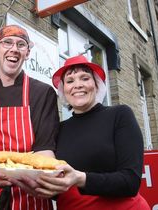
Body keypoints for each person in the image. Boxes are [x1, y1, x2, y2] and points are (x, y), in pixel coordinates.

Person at [33, 55, 150, 209]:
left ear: (96, 85)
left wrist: (81, 178)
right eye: (70, 81)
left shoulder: (120, 115)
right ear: (64, 90)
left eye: (85, 78)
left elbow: (130, 182)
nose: (78, 85)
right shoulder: (58, 129)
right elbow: (58, 188)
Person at [0, 25, 60, 210]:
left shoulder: (42, 93)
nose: (14, 49)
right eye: (7, 42)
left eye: (21, 44)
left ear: (27, 53)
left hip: (30, 195)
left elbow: (45, 149)